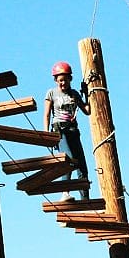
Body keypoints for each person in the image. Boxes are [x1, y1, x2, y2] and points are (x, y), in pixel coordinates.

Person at [43, 61, 91, 201]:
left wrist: (88, 94)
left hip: (73, 130)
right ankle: (65, 192)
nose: (62, 83)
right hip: (60, 130)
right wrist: (46, 135)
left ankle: (85, 199)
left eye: (64, 80)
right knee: (68, 159)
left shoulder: (74, 94)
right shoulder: (51, 93)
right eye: (59, 81)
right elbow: (46, 114)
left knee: (81, 164)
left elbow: (87, 111)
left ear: (70, 79)